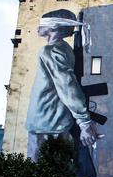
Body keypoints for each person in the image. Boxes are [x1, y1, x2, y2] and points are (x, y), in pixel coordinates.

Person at [26, 9, 101, 163]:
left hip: (47, 122)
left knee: (38, 175)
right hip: (49, 121)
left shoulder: (51, 50)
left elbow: (67, 85)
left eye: (43, 23)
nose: (38, 27)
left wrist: (84, 122)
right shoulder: (61, 48)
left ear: (53, 27)